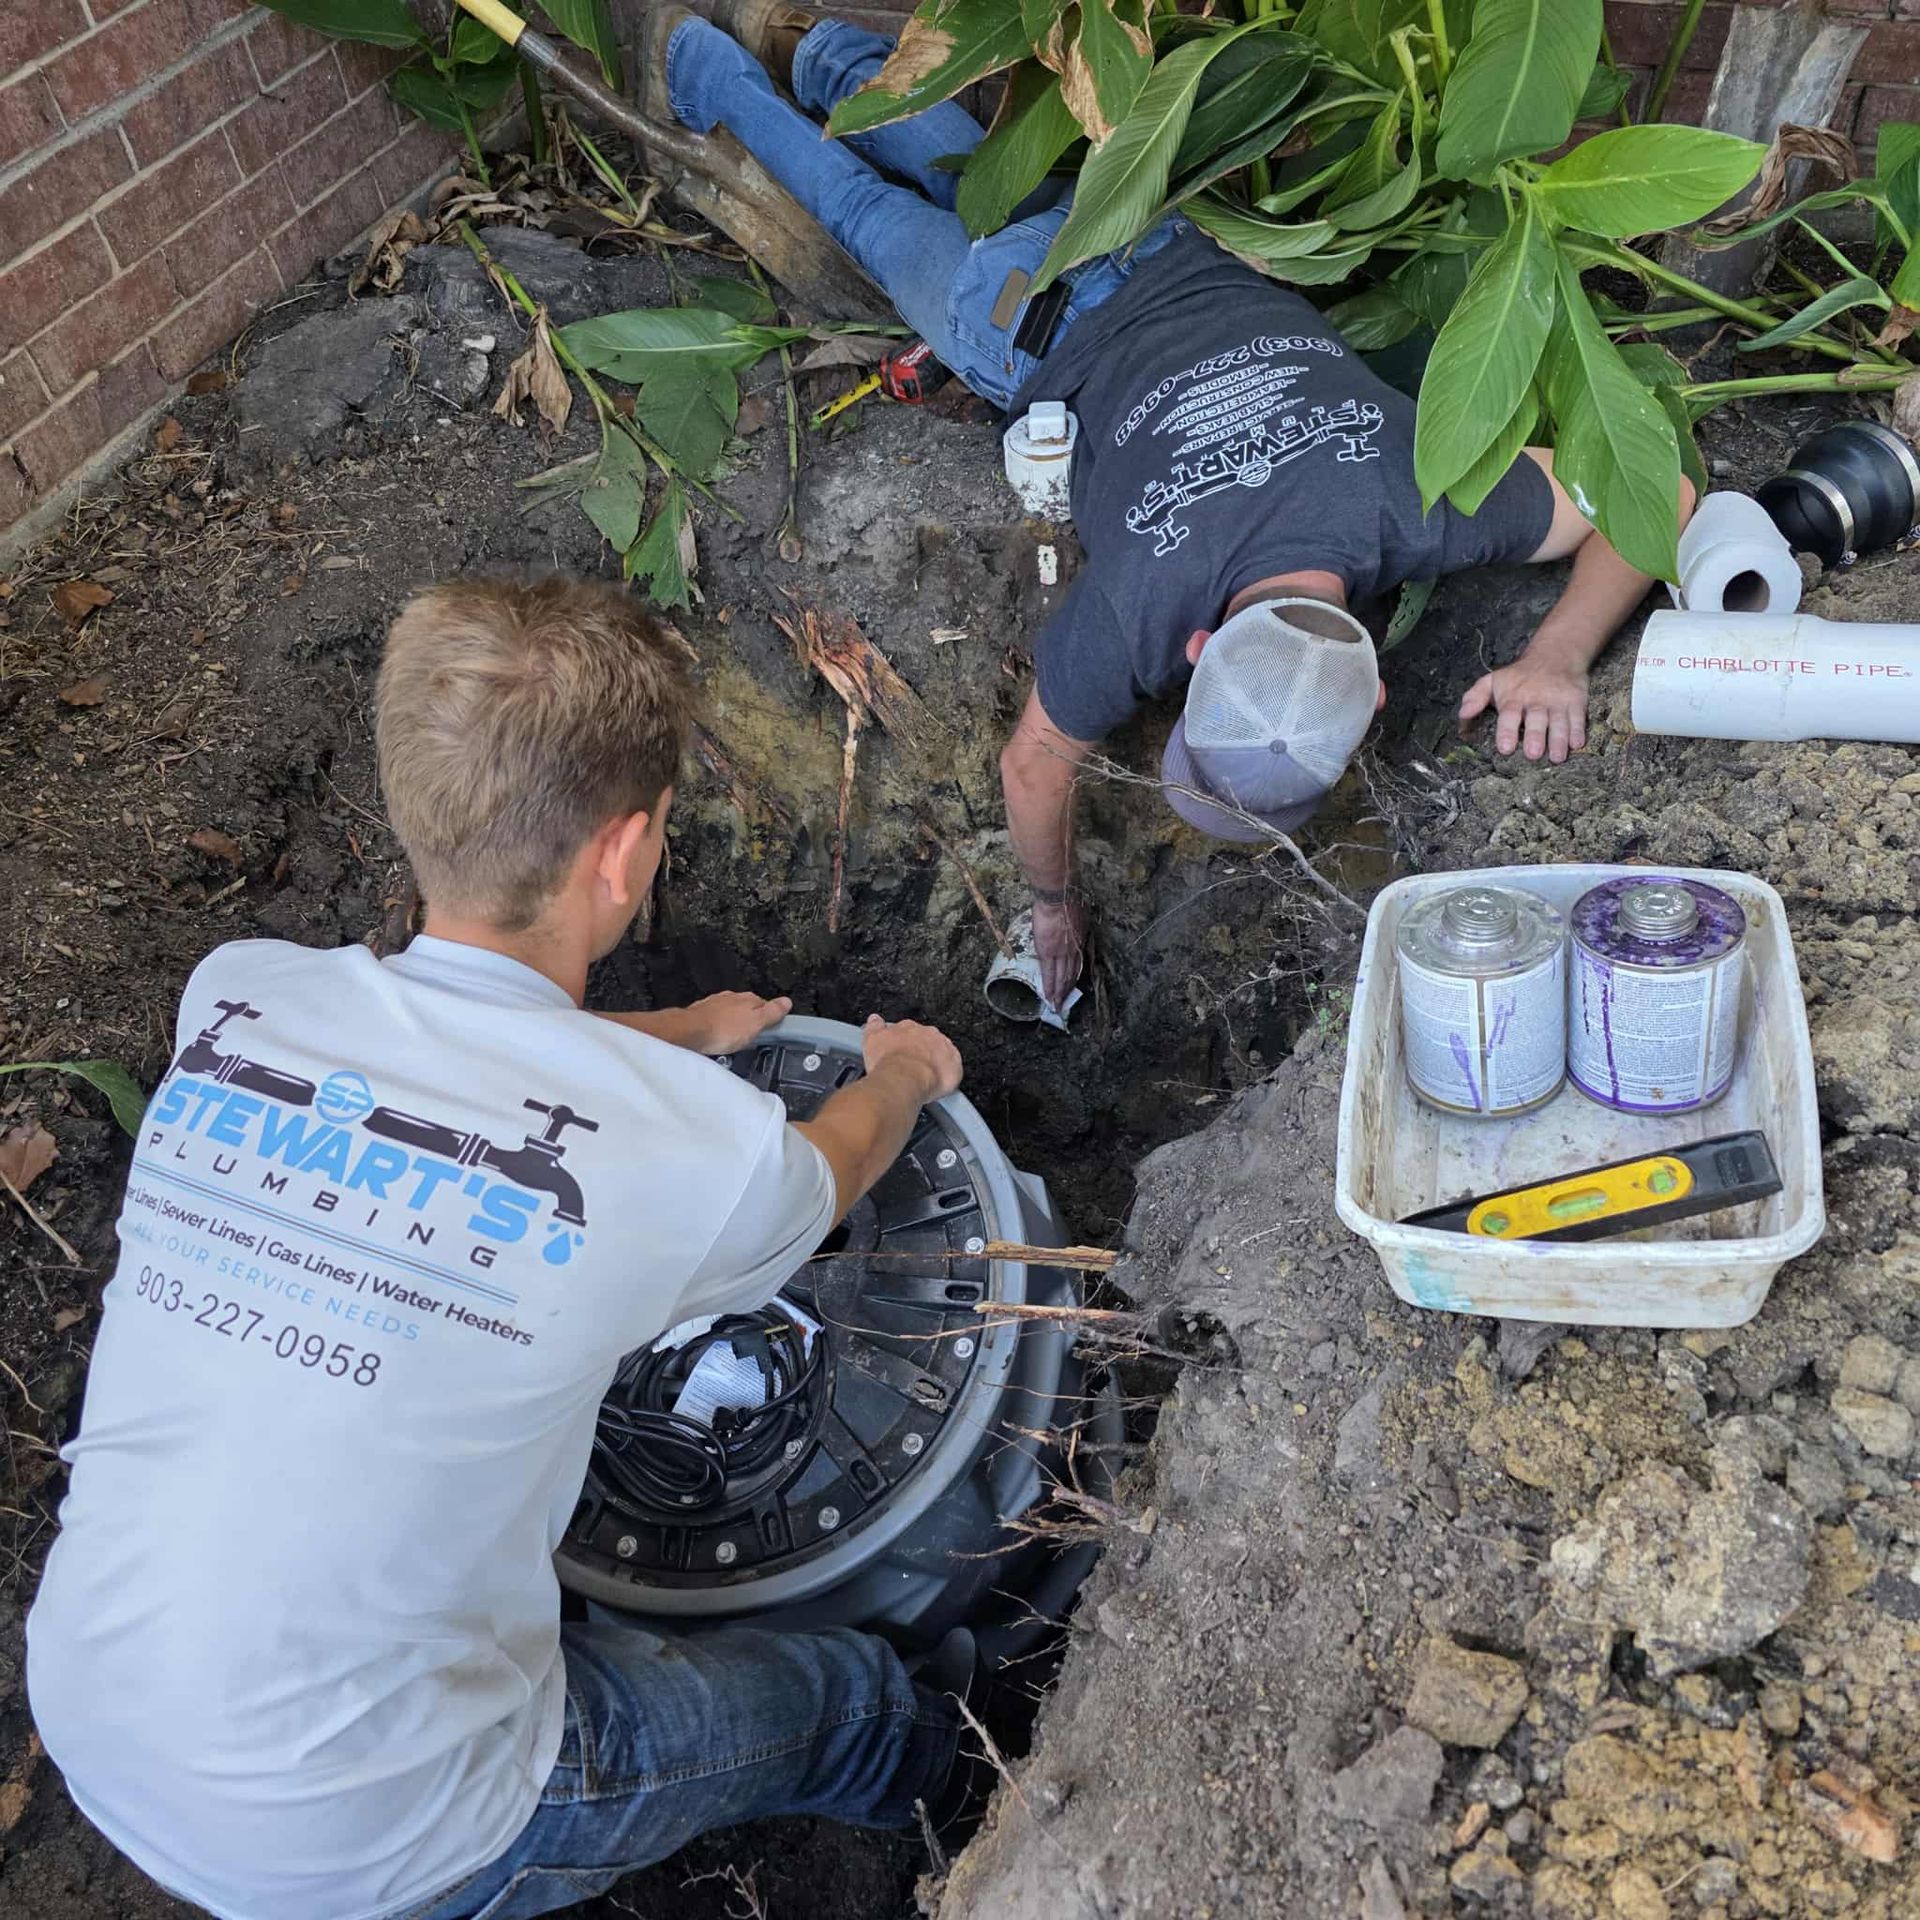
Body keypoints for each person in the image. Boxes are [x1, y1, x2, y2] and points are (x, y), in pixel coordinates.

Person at [26, 576, 972, 1920]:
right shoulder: (695, 1159)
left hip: (99, 1712)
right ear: (626, 857)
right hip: (376, 1820)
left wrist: (689, 1031)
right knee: (850, 1702)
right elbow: (835, 1170)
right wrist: (902, 1073)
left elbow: (437, 1085)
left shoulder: (238, 1001)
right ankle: (982, 1811)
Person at [646, 1, 1698, 1003]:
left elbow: (1662, 496)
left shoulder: (1411, 503)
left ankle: (822, 48)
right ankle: (701, 65)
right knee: (864, 213)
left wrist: (1555, 652)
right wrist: (1052, 907)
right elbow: (1033, 768)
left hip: (1143, 227)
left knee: (970, 166)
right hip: (1018, 323)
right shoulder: (1145, 598)